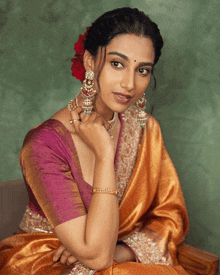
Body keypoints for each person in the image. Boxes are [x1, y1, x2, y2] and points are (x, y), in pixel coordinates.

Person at [0, 7, 189, 275]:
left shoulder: (146, 129)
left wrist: (121, 250)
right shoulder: (44, 145)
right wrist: (103, 154)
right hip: (48, 261)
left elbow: (170, 216)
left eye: (143, 70)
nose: (129, 83)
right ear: (90, 61)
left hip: (113, 257)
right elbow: (97, 259)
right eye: (117, 63)